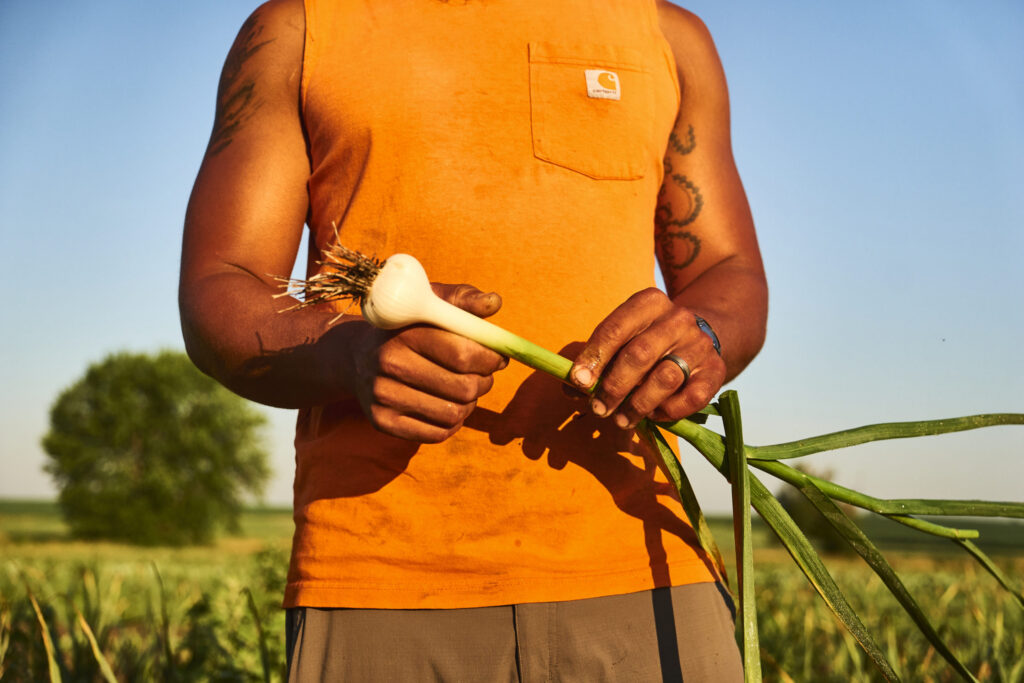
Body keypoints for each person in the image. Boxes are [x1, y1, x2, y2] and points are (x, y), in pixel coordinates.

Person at [179, 0, 767, 679]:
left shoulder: (670, 38)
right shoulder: (298, 29)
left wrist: (701, 334)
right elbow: (221, 283)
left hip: (651, 565)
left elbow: (730, 274)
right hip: (380, 585)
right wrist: (348, 354)